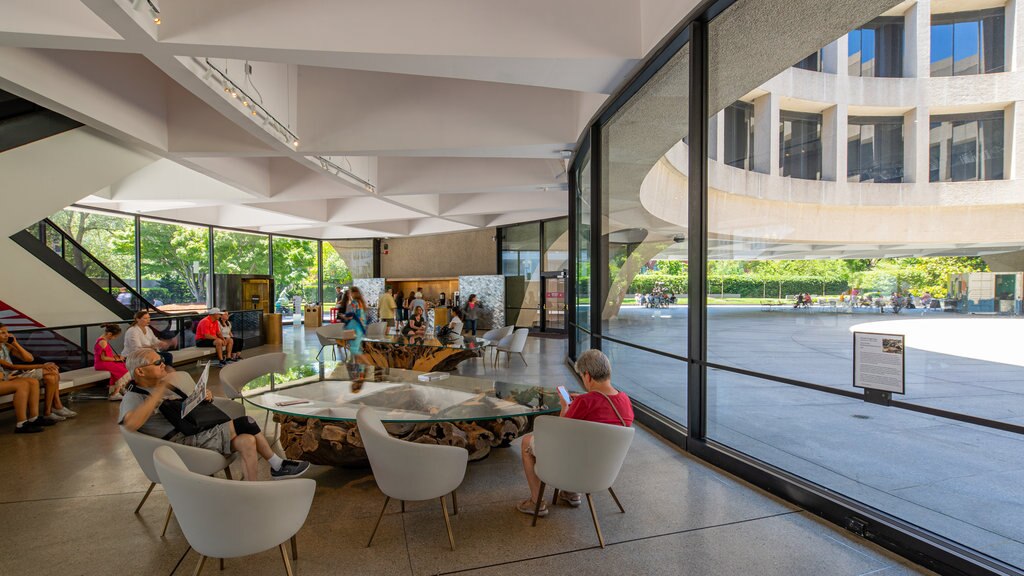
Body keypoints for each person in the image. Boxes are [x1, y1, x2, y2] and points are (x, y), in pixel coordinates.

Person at [119, 349, 309, 480]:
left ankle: (252, 489)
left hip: (194, 430)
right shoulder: (134, 396)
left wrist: (201, 397)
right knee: (247, 423)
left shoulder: (163, 385)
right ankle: (278, 465)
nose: (163, 365)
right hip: (181, 442)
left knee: (247, 441)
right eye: (157, 362)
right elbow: (131, 424)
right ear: (140, 371)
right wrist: (160, 391)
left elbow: (180, 408)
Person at [517, 349, 633, 516]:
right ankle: (571, 493)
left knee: (527, 441)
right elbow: (603, 413)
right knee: (580, 442)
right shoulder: (625, 400)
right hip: (603, 469)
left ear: (587, 376)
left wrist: (566, 406)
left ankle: (536, 502)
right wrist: (584, 398)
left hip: (574, 465)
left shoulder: (585, 402)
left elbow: (561, 432)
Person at [0, 323, 75, 423]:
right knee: (50, 371)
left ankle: (50, 410)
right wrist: (42, 366)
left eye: (7, 332)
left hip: (15, 373)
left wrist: (16, 344)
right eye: (3, 333)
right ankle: (54, 408)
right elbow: (10, 366)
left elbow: (29, 358)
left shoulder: (7, 346)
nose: (7, 335)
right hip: (10, 375)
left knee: (51, 375)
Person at [94, 323, 130, 401]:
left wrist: (115, 357)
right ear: (110, 334)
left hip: (105, 362)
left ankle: (120, 388)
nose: (114, 338)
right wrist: (115, 359)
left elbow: (107, 354)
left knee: (123, 366)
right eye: (115, 336)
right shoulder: (103, 342)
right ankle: (115, 393)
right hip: (102, 364)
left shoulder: (103, 340)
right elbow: (103, 358)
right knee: (123, 370)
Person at [345, 287, 369, 360]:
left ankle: (368, 364)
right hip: (361, 329)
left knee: (355, 351)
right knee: (357, 349)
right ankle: (360, 368)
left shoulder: (354, 303)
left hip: (355, 328)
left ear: (353, 293)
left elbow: (350, 315)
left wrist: (344, 316)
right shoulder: (361, 302)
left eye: (350, 293)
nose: (349, 295)